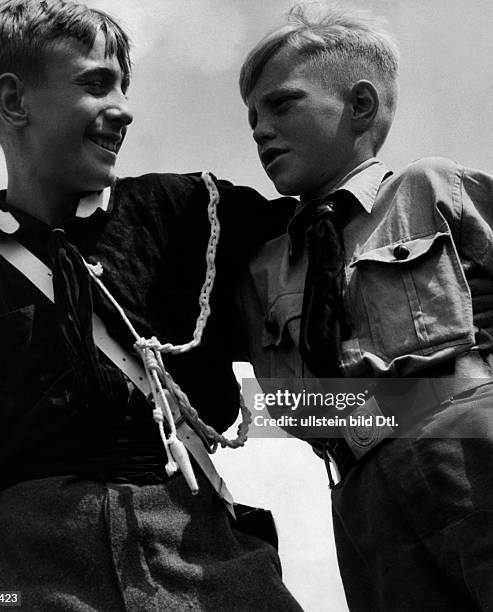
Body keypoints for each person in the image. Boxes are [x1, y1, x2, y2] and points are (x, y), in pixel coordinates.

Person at [0, 1, 304, 610]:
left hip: (211, 567)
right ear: (13, 103)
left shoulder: (191, 210)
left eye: (124, 86)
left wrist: (394, 429)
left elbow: (342, 281)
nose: (124, 109)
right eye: (95, 85)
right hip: (35, 577)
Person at [235, 3, 493, 611]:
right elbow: (280, 403)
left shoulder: (431, 188)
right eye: (251, 119)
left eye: (281, 104)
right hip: (357, 494)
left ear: (360, 105)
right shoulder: (259, 269)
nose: (259, 130)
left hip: (468, 441)